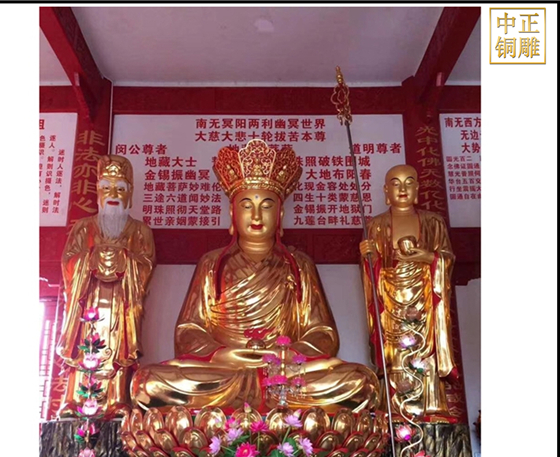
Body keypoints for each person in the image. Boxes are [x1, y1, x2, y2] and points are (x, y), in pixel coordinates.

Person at [131, 139, 378, 414]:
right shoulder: (212, 264)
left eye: (267, 206)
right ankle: (269, 405)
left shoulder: (299, 264)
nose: (257, 215)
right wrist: (223, 355)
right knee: (148, 383)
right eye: (247, 205)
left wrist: (288, 354)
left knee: (360, 382)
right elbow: (189, 331)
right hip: (227, 372)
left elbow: (323, 333)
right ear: (232, 212)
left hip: (285, 372)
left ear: (280, 213)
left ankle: (248, 404)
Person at [56, 155, 156, 414]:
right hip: (87, 299)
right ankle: (74, 400)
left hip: (122, 304)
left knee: (121, 345)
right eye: (106, 187)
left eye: (120, 188)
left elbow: (146, 264)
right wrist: (91, 258)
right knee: (83, 344)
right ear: (97, 191)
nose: (113, 194)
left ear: (130, 193)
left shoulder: (140, 231)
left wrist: (124, 259)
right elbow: (69, 261)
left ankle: (118, 399)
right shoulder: (83, 227)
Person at [359, 164, 457, 420]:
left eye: (409, 182)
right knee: (395, 353)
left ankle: (432, 406)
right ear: (386, 191)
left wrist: (428, 257)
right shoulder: (376, 225)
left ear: (417, 189)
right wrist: (369, 258)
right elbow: (373, 271)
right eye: (396, 183)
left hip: (425, 297)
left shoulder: (433, 222)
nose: (402, 189)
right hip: (391, 300)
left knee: (425, 350)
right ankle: (395, 409)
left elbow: (447, 258)